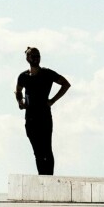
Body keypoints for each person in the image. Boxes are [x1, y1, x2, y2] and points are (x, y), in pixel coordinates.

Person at [15, 47, 70, 175]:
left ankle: (49, 178)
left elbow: (66, 84)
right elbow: (18, 91)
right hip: (30, 119)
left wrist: (53, 100)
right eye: (33, 55)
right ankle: (42, 179)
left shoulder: (47, 74)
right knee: (37, 151)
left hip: (44, 116)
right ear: (27, 58)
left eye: (38, 55)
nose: (36, 58)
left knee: (47, 150)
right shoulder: (23, 76)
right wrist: (20, 102)